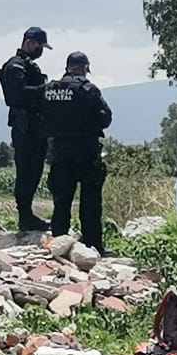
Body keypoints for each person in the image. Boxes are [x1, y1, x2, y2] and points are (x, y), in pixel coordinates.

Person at [44, 52, 112, 253]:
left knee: (61, 201)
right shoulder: (88, 90)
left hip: (60, 152)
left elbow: (44, 118)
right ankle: (92, 246)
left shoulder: (50, 90)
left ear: (68, 66)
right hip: (86, 152)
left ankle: (58, 244)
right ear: (84, 67)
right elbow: (105, 119)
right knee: (90, 202)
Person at [0, 26, 51, 231]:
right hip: (24, 126)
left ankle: (29, 215)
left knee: (36, 170)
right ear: (29, 42)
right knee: (26, 171)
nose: (41, 50)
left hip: (38, 126)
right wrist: (43, 90)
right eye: (39, 45)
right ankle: (25, 216)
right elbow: (17, 95)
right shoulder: (15, 66)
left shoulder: (29, 66)